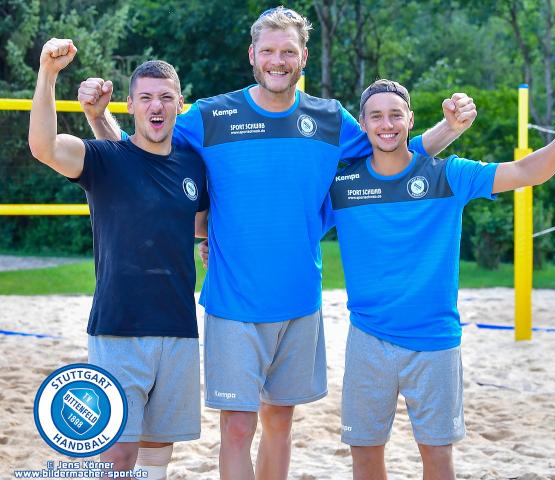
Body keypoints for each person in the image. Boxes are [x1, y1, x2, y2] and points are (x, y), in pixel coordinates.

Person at [77, 7, 476, 480]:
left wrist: (448, 129)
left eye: (288, 50)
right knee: (238, 428)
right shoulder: (211, 115)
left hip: (299, 303)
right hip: (233, 304)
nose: (277, 59)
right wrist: (97, 118)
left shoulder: (330, 119)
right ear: (252, 55)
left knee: (279, 424)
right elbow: (139, 154)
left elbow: (392, 151)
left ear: (303, 56)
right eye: (268, 50)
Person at [328, 79, 555, 480]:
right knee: (364, 454)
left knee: (437, 457)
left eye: (396, 114)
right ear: (362, 125)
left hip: (434, 341)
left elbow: (525, 171)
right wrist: (211, 242)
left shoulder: (448, 174)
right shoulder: (342, 187)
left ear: (411, 120)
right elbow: (290, 225)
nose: (387, 124)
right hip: (368, 338)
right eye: (377, 116)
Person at [29, 38, 209, 479]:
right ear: (129, 104)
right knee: (116, 457)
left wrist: (212, 244)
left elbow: (201, 227)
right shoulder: (105, 159)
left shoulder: (192, 167)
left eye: (166, 97)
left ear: (180, 104)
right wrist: (48, 74)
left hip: (179, 329)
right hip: (118, 328)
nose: (157, 105)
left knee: (156, 455)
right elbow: (44, 147)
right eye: (146, 97)